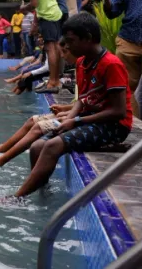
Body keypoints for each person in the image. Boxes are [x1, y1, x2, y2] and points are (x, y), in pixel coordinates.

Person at [12, 13, 133, 198]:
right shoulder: (83, 63)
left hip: (114, 126)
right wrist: (70, 118)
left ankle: (16, 198)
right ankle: (42, 192)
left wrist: (76, 120)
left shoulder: (110, 64)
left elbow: (118, 112)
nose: (66, 46)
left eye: (71, 41)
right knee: (37, 147)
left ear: (88, 38)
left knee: (52, 146)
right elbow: (82, 99)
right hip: (89, 120)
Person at [0, 40, 78, 167]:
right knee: (31, 121)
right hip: (71, 113)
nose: (61, 56)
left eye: (65, 52)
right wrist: (65, 108)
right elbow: (83, 102)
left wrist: (68, 114)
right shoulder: (79, 67)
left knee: (38, 128)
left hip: (77, 117)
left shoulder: (86, 67)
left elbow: (91, 105)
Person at [15, 0, 63, 93]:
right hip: (55, 12)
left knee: (50, 48)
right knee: (55, 47)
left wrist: (23, 8)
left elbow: (34, 3)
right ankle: (55, 80)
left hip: (47, 15)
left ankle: (53, 82)